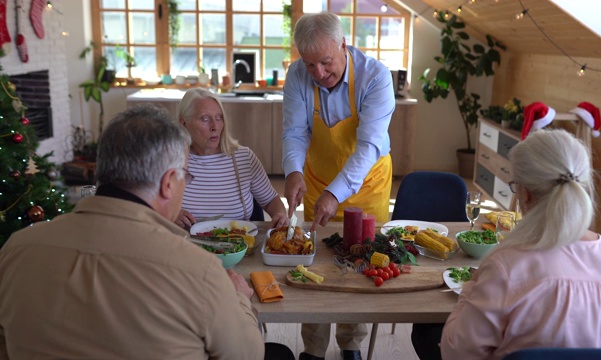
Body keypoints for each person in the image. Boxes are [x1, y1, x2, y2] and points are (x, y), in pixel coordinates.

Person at [0, 104, 294, 360]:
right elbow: (246, 355)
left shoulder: (16, 248)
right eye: (185, 177)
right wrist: (240, 299)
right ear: (169, 183)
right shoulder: (200, 270)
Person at [421, 129, 601, 360]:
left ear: (524, 194)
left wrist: (471, 287)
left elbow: (455, 352)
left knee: (425, 332)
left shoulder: (506, 267)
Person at [282, 11, 395, 360]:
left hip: (367, 183)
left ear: (343, 45)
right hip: (318, 178)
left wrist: (336, 192)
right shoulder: (297, 75)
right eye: (310, 64)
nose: (318, 73)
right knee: (316, 262)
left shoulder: (375, 77)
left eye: (326, 62)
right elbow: (295, 131)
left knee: (359, 263)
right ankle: (314, 349)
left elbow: (369, 145)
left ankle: (351, 344)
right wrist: (292, 171)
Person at [174, 88, 288, 230]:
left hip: (239, 248)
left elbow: (271, 200)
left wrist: (280, 215)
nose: (215, 126)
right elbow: (148, 210)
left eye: (218, 118)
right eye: (205, 119)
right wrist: (171, 214)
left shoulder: (243, 158)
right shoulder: (171, 161)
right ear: (183, 123)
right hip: (188, 247)